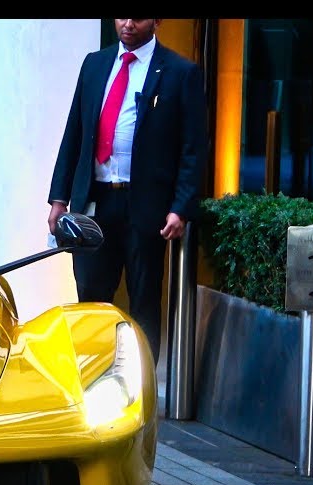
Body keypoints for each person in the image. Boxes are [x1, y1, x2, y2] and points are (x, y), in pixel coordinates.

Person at [47, 18, 207, 362]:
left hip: (145, 206)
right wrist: (59, 198)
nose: (128, 24)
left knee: (144, 299)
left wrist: (180, 207)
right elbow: (74, 133)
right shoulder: (95, 64)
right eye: (122, 17)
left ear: (157, 21)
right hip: (95, 201)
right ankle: (90, 379)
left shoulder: (181, 73)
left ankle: (140, 391)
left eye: (138, 17)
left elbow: (193, 149)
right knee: (90, 294)